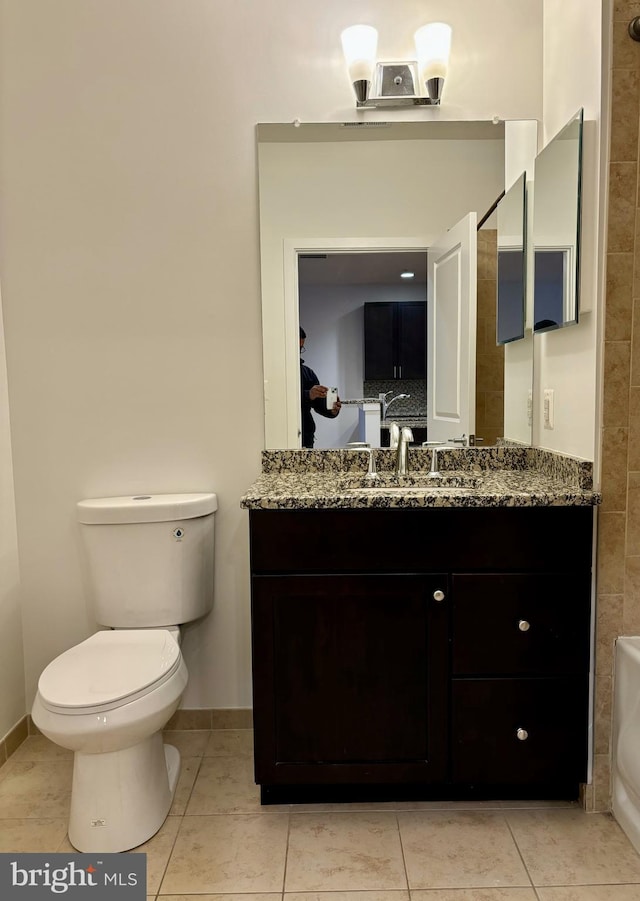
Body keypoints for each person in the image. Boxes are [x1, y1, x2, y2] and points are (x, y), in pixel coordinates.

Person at [299, 327, 341, 448]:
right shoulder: (275, 372)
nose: (298, 351)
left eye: (301, 348)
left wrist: (332, 410)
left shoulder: (307, 373)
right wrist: (308, 395)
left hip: (306, 435)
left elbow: (318, 405)